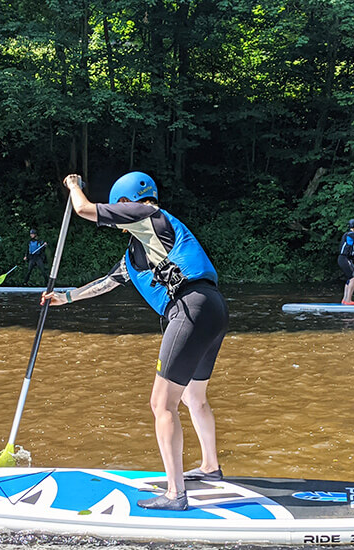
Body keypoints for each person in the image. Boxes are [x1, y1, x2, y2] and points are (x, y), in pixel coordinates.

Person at [42, 171, 229, 511]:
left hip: (190, 310)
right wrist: (65, 298)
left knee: (162, 404)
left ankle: (175, 494)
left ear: (125, 203)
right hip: (213, 309)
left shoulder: (147, 215)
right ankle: (210, 467)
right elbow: (106, 283)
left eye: (117, 208)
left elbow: (84, 210)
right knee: (193, 398)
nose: (117, 216)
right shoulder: (139, 250)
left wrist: (72, 186)